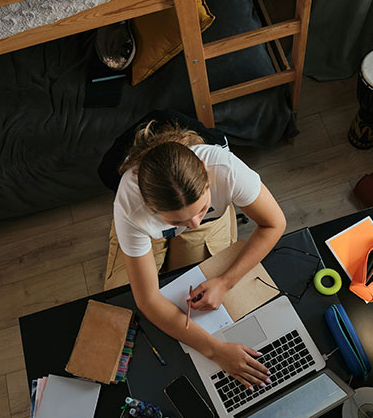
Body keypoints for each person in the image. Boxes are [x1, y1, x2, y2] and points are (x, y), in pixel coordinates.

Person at [106, 120, 286, 390]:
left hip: (212, 220)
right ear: (148, 203)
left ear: (205, 173)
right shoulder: (130, 206)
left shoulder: (225, 169)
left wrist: (225, 282)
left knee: (196, 273)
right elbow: (148, 299)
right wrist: (215, 350)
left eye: (201, 208)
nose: (193, 225)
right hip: (146, 232)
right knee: (119, 300)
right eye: (180, 220)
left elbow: (275, 223)